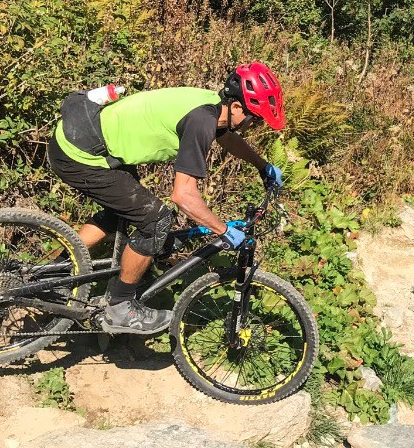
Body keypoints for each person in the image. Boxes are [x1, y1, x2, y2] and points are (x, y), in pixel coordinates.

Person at [46, 63, 285, 335]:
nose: (254, 126)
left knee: (122, 210)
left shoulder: (212, 106)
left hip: (87, 139)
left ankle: (58, 273)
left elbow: (226, 137)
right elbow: (183, 195)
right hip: (82, 155)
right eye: (254, 118)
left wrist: (262, 165)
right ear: (238, 108)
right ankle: (120, 307)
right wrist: (223, 231)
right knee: (156, 220)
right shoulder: (200, 121)